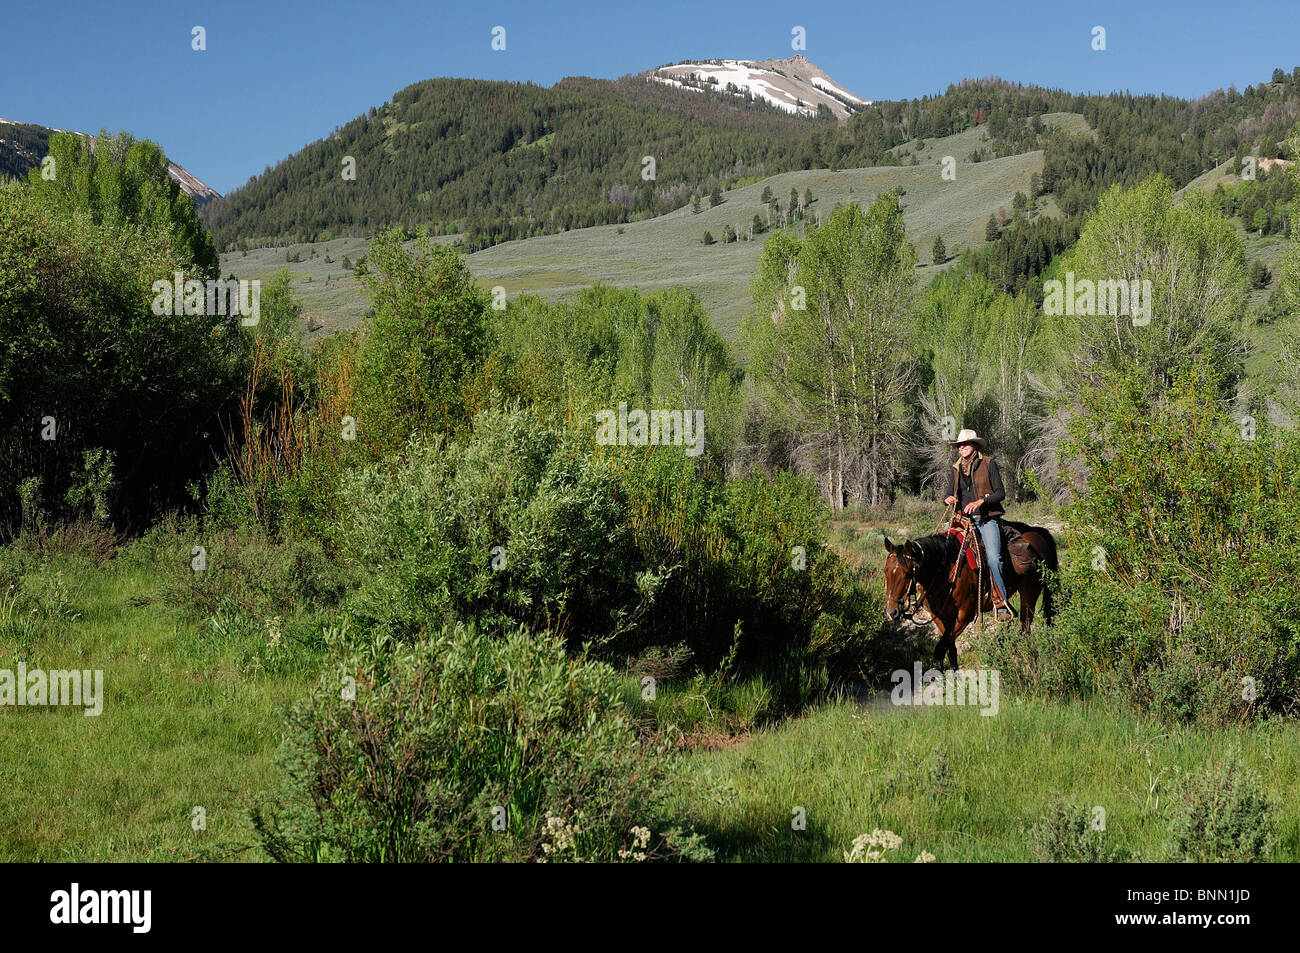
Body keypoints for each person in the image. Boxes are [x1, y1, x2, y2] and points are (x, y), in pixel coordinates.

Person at [942, 428, 1016, 622]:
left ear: (975, 445)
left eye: (965, 444)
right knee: (940, 547)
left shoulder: (989, 463)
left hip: (986, 518)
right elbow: (949, 492)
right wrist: (947, 498)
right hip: (961, 520)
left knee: (993, 558)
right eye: (959, 445)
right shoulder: (956, 468)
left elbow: (1000, 493)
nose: (961, 447)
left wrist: (981, 501)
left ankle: (1001, 603)